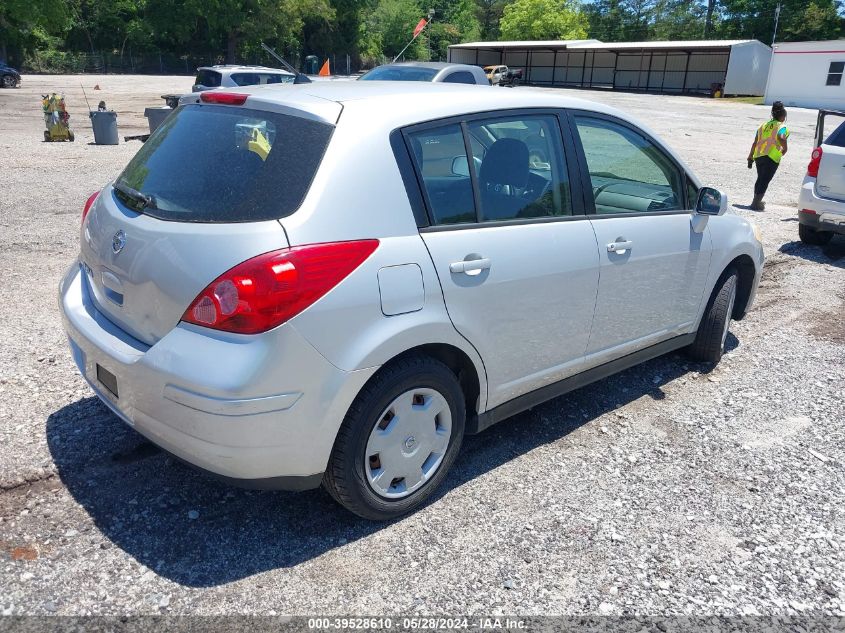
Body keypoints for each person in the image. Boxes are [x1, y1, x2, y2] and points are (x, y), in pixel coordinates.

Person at [747, 101, 789, 211]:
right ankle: (756, 203)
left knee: (760, 178)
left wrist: (750, 156)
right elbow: (781, 137)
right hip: (771, 157)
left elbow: (755, 142)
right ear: (783, 115)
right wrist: (785, 148)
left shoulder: (762, 126)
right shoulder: (781, 126)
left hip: (759, 155)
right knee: (765, 180)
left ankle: (756, 201)